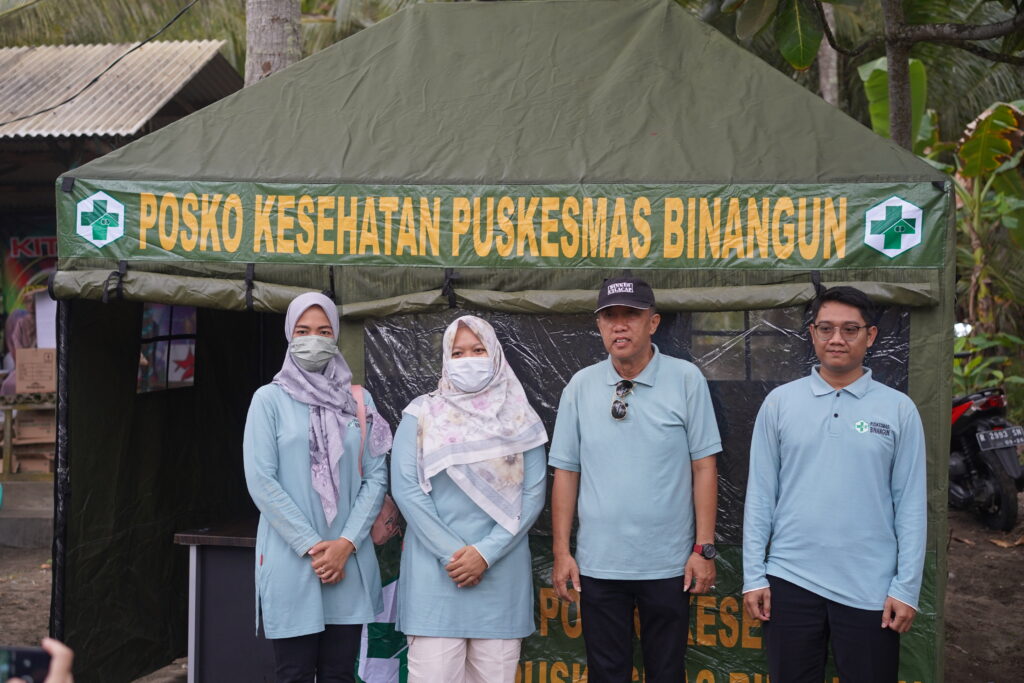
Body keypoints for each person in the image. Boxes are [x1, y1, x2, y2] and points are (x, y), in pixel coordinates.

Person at [742, 285, 927, 683]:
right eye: (825, 328)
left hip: (871, 590)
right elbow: (760, 495)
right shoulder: (780, 403)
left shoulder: (898, 409)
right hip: (790, 581)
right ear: (812, 334)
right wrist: (753, 575)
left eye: (850, 329)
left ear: (870, 336)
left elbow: (910, 504)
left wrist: (905, 588)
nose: (837, 339)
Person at [549, 277, 722, 683]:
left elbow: (704, 467)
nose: (619, 326)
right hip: (599, 564)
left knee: (666, 671)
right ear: (599, 326)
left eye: (631, 315)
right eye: (610, 317)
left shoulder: (686, 379)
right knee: (606, 674)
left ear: (654, 323)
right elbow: (566, 473)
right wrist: (561, 552)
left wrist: (704, 548)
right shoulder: (581, 385)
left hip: (669, 565)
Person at [243, 292, 392, 683]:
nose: (315, 339)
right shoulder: (268, 401)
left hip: (349, 558)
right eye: (304, 330)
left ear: (336, 336)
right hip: (293, 561)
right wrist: (314, 546)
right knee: (293, 674)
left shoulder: (358, 401)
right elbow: (262, 481)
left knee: (340, 674)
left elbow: (376, 477)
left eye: (324, 331)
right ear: (289, 335)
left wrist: (345, 544)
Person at [391, 315, 548, 683]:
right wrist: (454, 555)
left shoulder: (521, 418)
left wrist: (485, 554)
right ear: (446, 359)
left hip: (500, 579)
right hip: (436, 580)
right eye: (458, 352)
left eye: (478, 350)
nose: (469, 359)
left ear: (494, 354)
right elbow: (407, 489)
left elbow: (533, 493)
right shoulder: (421, 414)